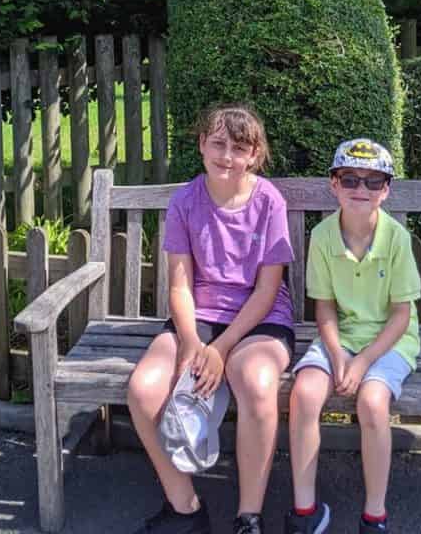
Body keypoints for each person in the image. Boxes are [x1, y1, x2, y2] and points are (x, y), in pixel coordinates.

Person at [125, 103, 296, 534]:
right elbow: (180, 286)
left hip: (260, 318)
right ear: (201, 145)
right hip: (198, 315)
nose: (227, 156)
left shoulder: (269, 201)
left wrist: (220, 349)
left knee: (256, 385)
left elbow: (267, 290)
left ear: (255, 155)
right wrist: (190, 344)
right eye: (218, 143)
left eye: (240, 148)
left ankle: (249, 517)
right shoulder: (185, 201)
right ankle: (186, 508)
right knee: (143, 391)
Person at [287, 138, 421, 534]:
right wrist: (339, 355)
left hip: (390, 339)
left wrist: (362, 362)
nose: (361, 189)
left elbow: (402, 315)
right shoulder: (323, 236)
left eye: (373, 181)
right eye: (350, 179)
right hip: (340, 334)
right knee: (305, 394)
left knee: (373, 402)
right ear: (334, 184)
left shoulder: (396, 237)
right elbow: (324, 307)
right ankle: (304, 512)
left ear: (386, 190)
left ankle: (374, 515)